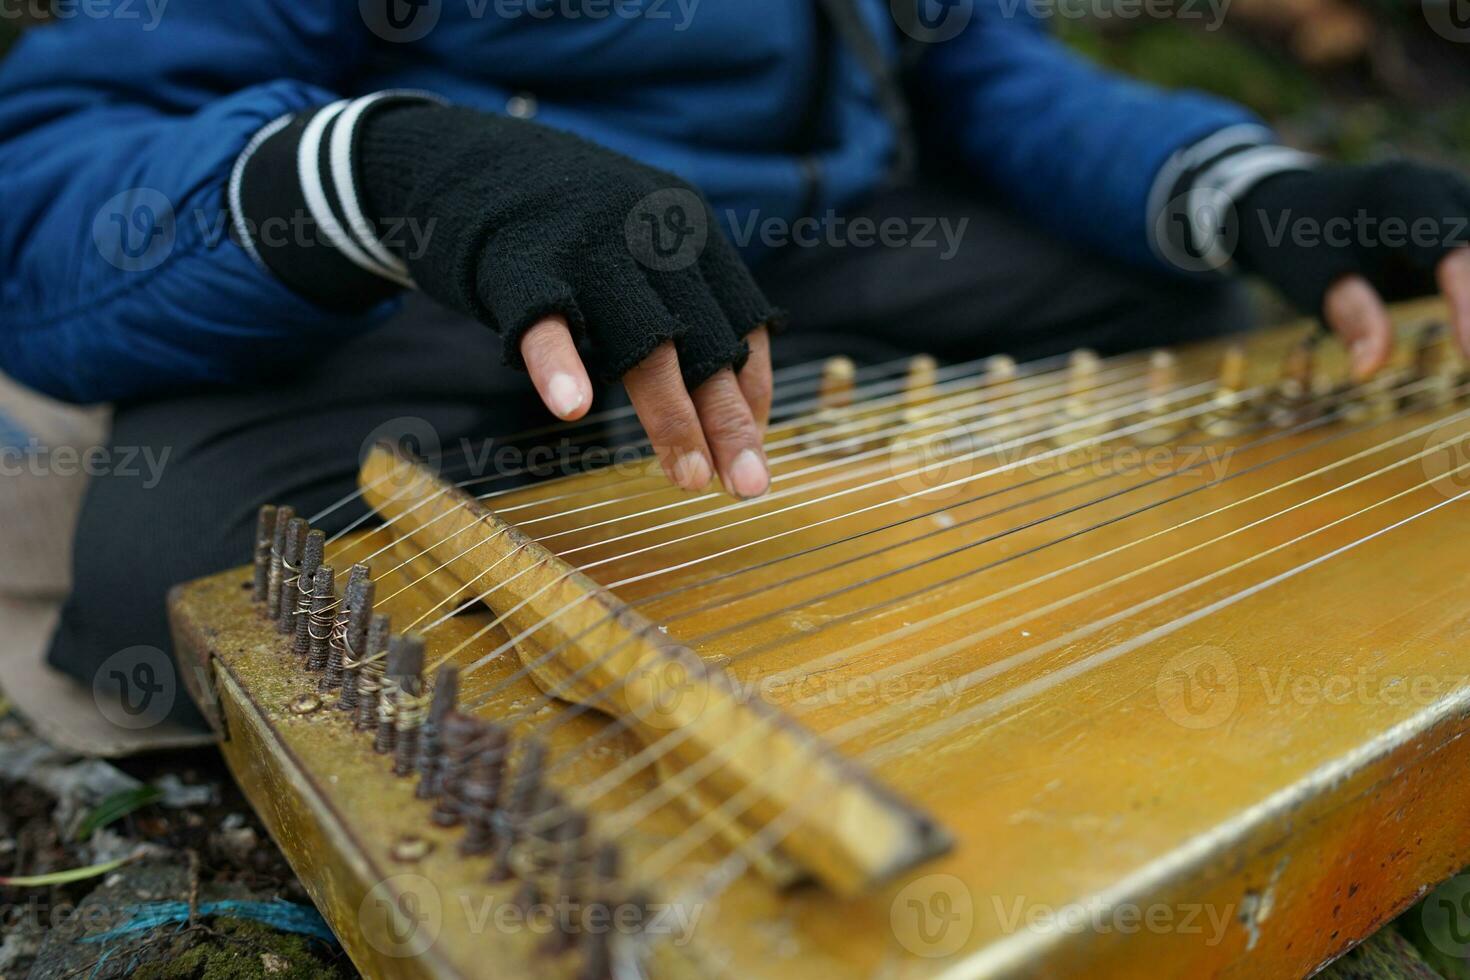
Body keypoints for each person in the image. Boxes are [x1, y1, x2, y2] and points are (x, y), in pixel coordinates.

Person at [2, 1, 1468, 729]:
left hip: (812, 254)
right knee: (194, 554)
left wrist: (1260, 190)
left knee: (1208, 306)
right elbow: (56, 172)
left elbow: (988, 74)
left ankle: (751, 438)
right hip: (457, 290)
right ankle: (748, 454)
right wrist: (392, 171)